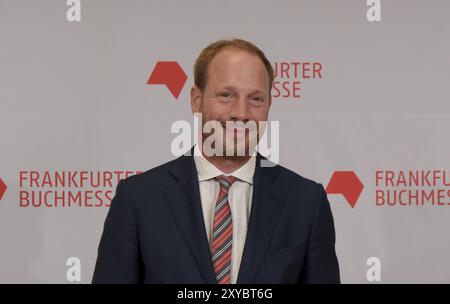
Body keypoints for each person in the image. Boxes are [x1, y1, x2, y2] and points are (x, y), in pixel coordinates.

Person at [92, 38, 340, 284]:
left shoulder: (306, 202)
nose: (240, 113)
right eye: (226, 95)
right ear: (195, 100)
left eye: (255, 98)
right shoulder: (138, 199)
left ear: (269, 105)